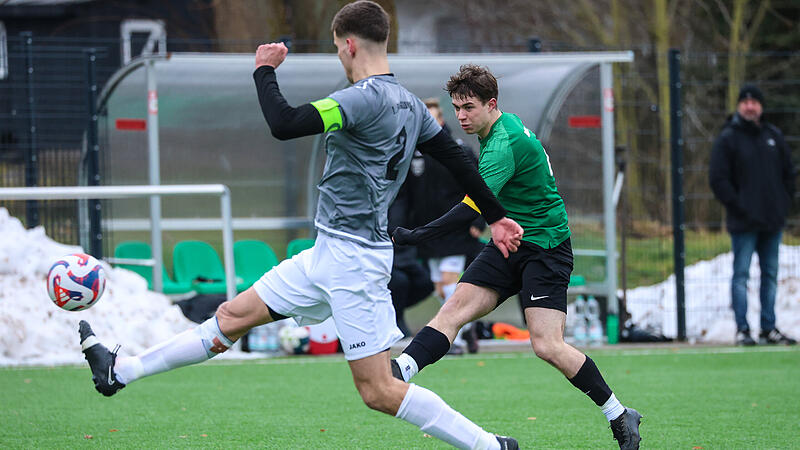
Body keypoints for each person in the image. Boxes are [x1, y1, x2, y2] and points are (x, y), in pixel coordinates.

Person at [77, 2, 524, 449]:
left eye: (336, 48)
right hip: (325, 254)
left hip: (355, 262)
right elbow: (462, 163)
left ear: (349, 45)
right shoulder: (413, 106)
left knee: (380, 391)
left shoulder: (359, 99)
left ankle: (489, 446)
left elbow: (285, 123)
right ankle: (122, 371)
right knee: (230, 317)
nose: (338, 56)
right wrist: (497, 216)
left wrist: (264, 71)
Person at [391, 64, 642, 449]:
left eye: (468, 107)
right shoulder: (499, 128)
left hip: (546, 248)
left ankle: (619, 414)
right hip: (509, 243)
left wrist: (417, 235)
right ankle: (400, 372)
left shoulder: (503, 145)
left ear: (491, 104)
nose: (461, 116)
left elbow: (471, 209)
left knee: (546, 345)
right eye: (456, 107)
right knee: (453, 309)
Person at [709, 83, 797, 346]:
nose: (750, 106)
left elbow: (789, 176)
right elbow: (718, 179)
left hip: (772, 222)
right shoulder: (728, 138)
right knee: (742, 275)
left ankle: (768, 328)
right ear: (739, 105)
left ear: (760, 106)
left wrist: (782, 205)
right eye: (745, 101)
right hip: (743, 223)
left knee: (770, 275)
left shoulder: (774, 136)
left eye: (754, 102)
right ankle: (743, 329)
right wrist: (739, 207)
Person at [405, 97, 487, 353]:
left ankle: (456, 339)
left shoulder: (459, 149)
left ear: (441, 120)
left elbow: (480, 185)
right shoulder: (415, 152)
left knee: (451, 283)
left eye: (432, 118)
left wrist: (479, 219)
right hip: (428, 232)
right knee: (439, 287)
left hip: (454, 228)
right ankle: (466, 326)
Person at [387, 182, 434, 337]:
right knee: (399, 282)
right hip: (383, 251)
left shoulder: (408, 186)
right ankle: (395, 318)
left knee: (426, 282)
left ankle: (394, 310)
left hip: (406, 251)